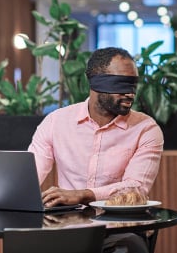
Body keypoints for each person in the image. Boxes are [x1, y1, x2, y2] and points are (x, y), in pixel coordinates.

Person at [28, 47, 164, 253]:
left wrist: (82, 195)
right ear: (96, 83)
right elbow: (29, 176)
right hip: (65, 228)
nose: (130, 94)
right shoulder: (56, 122)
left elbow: (135, 188)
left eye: (134, 85)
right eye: (121, 85)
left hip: (120, 228)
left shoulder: (146, 129)